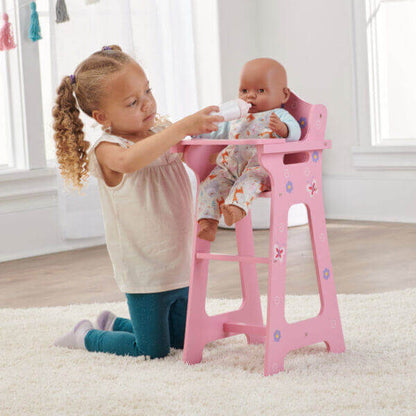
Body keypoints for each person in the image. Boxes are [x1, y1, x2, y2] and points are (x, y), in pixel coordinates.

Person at [52, 45, 223, 359]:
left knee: (184, 342)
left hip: (179, 258)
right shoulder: (108, 148)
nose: (147, 104)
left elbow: (196, 156)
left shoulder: (160, 133)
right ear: (102, 117)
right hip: (144, 268)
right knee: (152, 350)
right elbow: (131, 161)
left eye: (148, 91)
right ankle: (87, 335)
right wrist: (182, 127)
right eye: (133, 102)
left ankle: (113, 321)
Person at [196, 58, 301, 241]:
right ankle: (208, 223)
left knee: (248, 182)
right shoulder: (237, 116)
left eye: (260, 90)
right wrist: (200, 131)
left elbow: (296, 133)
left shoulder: (279, 115)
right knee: (210, 184)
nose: (250, 96)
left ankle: (236, 209)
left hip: (260, 168)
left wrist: (283, 128)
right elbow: (218, 132)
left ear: (283, 95)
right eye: (244, 90)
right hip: (229, 167)